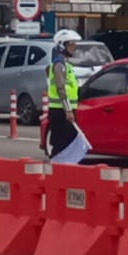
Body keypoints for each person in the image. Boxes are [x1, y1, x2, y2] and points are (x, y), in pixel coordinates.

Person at [46, 29, 82, 158]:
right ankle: (56, 171)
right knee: (61, 145)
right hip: (60, 111)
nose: (74, 47)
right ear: (62, 45)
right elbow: (61, 88)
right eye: (71, 44)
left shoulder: (66, 64)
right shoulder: (59, 65)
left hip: (65, 110)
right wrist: (68, 110)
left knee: (68, 143)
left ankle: (64, 171)